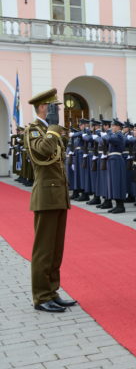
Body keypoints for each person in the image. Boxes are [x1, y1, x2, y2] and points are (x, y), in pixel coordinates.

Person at [24, 88, 76, 312]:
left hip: (58, 195)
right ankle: (41, 296)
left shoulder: (49, 130)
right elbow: (44, 152)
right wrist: (54, 129)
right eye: (54, 107)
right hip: (45, 196)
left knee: (56, 249)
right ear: (44, 108)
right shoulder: (34, 131)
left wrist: (56, 130)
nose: (57, 111)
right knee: (44, 250)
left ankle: (52, 291)